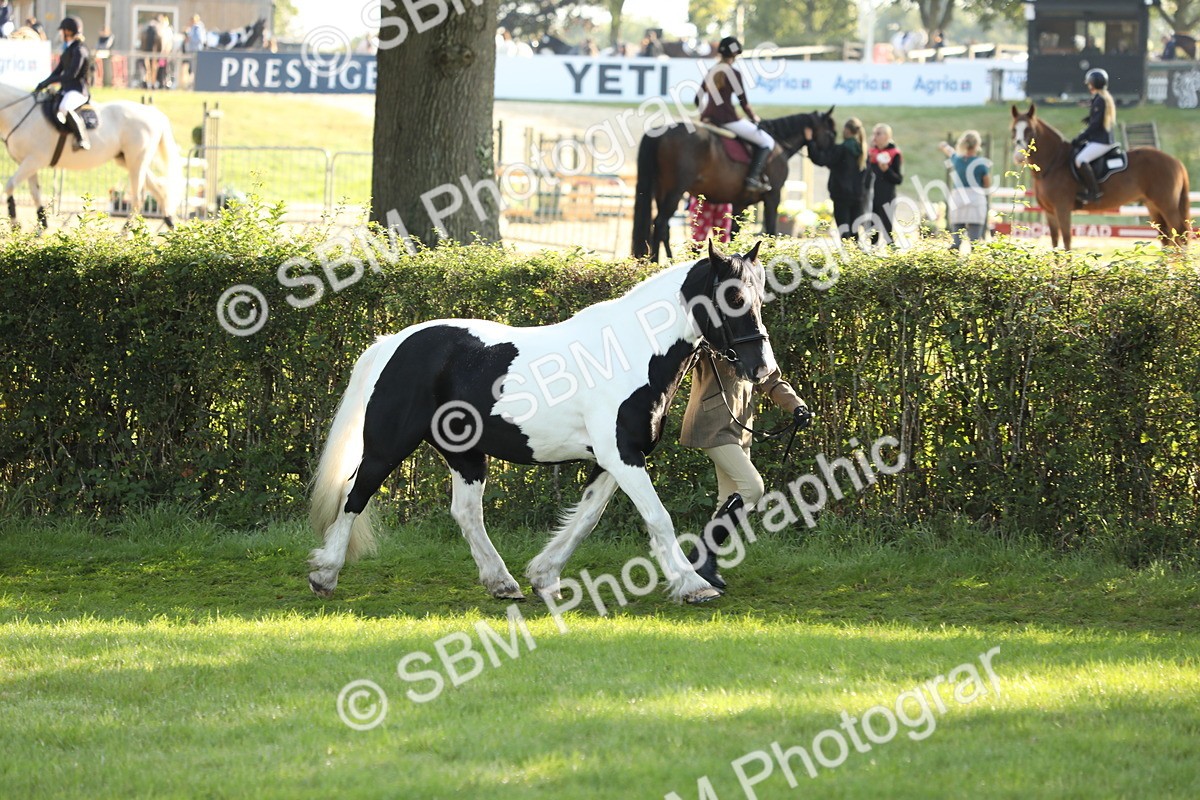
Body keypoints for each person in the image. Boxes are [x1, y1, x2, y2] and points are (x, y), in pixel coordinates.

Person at [680, 349, 811, 591]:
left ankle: (701, 565)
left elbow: (770, 379)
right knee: (752, 488)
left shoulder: (754, 337)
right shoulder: (711, 332)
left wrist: (796, 405)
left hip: (739, 428)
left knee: (728, 499)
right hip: (711, 424)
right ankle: (702, 554)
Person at [697, 36, 776, 193]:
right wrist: (755, 118)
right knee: (767, 142)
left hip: (708, 119)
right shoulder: (734, 73)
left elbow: (697, 98)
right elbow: (743, 102)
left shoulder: (711, 71)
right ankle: (752, 178)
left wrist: (705, 115)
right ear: (734, 55)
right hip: (727, 120)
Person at [34, 16, 91, 151]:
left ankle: (82, 139)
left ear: (68, 32)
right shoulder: (69, 50)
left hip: (77, 91)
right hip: (66, 89)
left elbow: (70, 75)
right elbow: (58, 71)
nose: (60, 34)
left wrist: (50, 82)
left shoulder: (80, 50)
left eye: (62, 31)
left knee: (64, 107)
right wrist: (43, 83)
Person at [811, 117, 869, 240]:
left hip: (841, 196)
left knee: (844, 233)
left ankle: (847, 257)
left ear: (847, 130)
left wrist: (809, 142)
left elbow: (821, 159)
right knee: (855, 233)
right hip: (858, 196)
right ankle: (858, 257)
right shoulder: (863, 151)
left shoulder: (841, 149)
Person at [939, 131, 992, 251]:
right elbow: (987, 183)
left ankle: (955, 251)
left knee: (957, 232)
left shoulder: (957, 160)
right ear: (977, 145)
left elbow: (950, 151)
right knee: (975, 241)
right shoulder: (981, 163)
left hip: (959, 197)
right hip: (976, 198)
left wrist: (943, 145)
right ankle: (974, 262)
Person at [1072, 68, 1115, 203]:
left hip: (1101, 141)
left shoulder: (1100, 100)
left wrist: (1080, 137)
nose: (1088, 86)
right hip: (1099, 139)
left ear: (1094, 84)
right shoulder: (1100, 97)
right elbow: (1098, 118)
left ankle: (1094, 192)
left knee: (1080, 160)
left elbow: (1095, 125)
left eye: (1090, 84)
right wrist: (1089, 119)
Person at [867, 123, 903, 243]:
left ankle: (893, 256)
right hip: (872, 197)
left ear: (887, 136)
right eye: (874, 134)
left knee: (888, 230)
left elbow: (898, 179)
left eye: (878, 133)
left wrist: (886, 170)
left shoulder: (894, 153)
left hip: (887, 197)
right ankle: (871, 259)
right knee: (872, 231)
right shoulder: (871, 153)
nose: (874, 137)